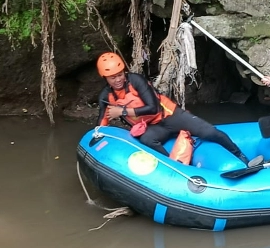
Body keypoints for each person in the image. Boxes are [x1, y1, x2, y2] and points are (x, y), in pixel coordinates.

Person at [95, 52, 251, 165]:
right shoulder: (106, 96)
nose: (118, 80)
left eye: (120, 74)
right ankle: (174, 167)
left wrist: (122, 111)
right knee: (147, 139)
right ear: (105, 78)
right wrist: (98, 135)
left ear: (124, 72)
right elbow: (102, 121)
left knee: (209, 132)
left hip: (169, 115)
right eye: (113, 77)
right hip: (153, 127)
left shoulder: (136, 80)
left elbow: (153, 108)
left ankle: (240, 156)